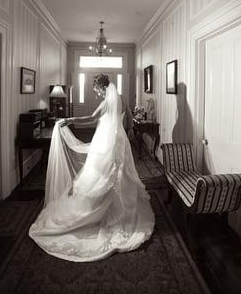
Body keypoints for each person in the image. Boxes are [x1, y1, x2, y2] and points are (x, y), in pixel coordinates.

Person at [29, 74, 155, 262]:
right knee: (119, 172)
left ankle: (102, 212)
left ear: (101, 87)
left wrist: (69, 120)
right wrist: (128, 129)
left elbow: (89, 119)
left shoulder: (106, 102)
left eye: (95, 89)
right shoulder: (121, 98)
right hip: (119, 140)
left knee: (103, 173)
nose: (95, 92)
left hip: (106, 141)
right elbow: (128, 114)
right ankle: (122, 205)